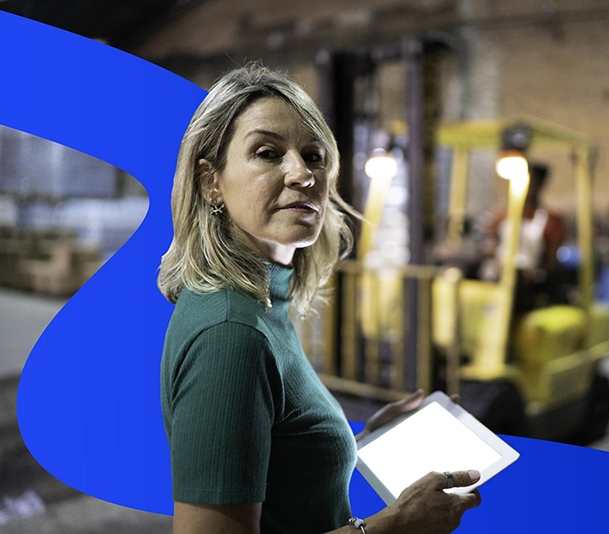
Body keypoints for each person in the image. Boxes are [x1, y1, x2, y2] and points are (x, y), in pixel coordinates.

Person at [157, 63, 481, 534]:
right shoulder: (231, 334)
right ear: (211, 182)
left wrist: (352, 439)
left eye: (314, 155)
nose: (302, 174)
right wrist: (395, 526)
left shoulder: (261, 301)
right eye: (267, 153)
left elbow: (276, 468)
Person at [482, 162, 567, 313]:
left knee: (515, 282)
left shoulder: (550, 219)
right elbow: (491, 246)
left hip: (529, 283)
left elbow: (551, 262)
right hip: (500, 273)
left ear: (540, 184)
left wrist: (535, 274)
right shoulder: (501, 215)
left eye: (531, 182)